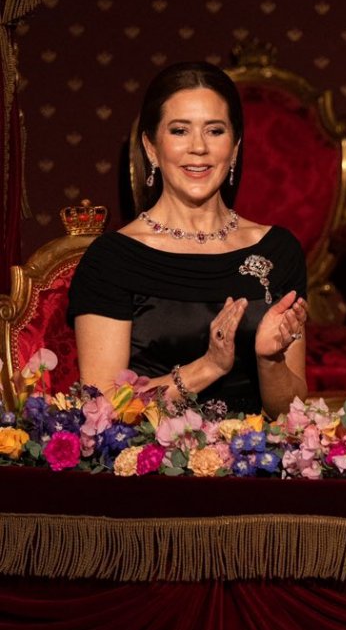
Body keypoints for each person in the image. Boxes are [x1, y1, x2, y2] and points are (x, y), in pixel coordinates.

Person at [68, 61, 308, 417]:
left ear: (236, 147)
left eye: (215, 131)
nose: (199, 147)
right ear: (151, 147)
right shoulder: (112, 259)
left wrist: (270, 361)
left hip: (257, 463)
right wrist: (208, 366)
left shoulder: (278, 251)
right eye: (180, 131)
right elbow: (103, 409)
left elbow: (292, 413)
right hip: (152, 464)